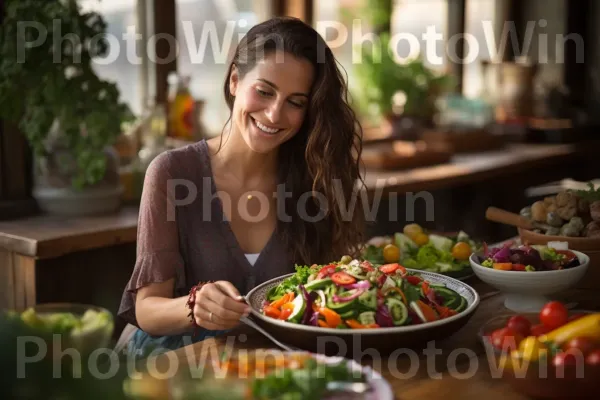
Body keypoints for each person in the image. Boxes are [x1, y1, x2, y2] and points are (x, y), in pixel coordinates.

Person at [116, 16, 365, 356]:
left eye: (295, 102)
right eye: (264, 91)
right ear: (235, 80)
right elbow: (147, 309)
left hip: (275, 366)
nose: (275, 114)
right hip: (176, 363)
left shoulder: (316, 177)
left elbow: (329, 296)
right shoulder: (172, 174)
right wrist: (196, 304)